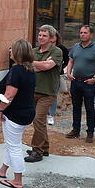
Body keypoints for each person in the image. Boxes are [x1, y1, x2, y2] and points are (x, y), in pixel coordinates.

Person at [0, 40, 36, 188]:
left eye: (12, 49)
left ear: (18, 53)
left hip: (15, 114)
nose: (9, 51)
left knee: (14, 147)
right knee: (12, 144)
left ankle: (17, 180)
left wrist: (0, 109)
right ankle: (3, 170)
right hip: (27, 112)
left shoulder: (16, 71)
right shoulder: (30, 70)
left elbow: (9, 95)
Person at [25, 25, 63, 163]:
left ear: (51, 38)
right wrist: (40, 64)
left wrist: (35, 64)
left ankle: (37, 151)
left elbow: (47, 66)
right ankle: (45, 147)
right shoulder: (34, 51)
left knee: (38, 120)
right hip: (33, 91)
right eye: (39, 35)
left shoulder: (57, 51)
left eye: (44, 35)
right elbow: (30, 68)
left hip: (47, 93)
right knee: (40, 122)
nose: (40, 37)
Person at [65, 25, 95, 143]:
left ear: (91, 35)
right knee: (76, 107)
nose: (82, 34)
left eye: (85, 33)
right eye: (81, 32)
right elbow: (71, 60)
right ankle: (75, 130)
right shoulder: (76, 47)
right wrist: (68, 72)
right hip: (75, 81)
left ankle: (90, 132)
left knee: (89, 108)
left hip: (88, 83)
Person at [48, 33, 69, 126]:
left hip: (56, 75)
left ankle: (51, 115)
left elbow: (67, 61)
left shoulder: (62, 49)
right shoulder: (43, 48)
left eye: (53, 37)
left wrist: (60, 68)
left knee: (53, 95)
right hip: (43, 74)